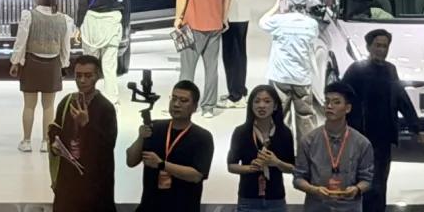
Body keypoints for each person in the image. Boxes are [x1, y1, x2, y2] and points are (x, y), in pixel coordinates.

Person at [342, 29, 424, 212]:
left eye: (385, 46)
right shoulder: (356, 70)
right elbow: (342, 96)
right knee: (361, 181)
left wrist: (416, 127)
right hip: (360, 136)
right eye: (377, 46)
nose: (381, 50)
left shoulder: (390, 70)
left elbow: (401, 98)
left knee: (379, 183)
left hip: (383, 137)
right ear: (368, 47)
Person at [126, 80, 215, 211]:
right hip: (150, 206)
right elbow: (131, 161)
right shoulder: (155, 127)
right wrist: (140, 137)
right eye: (173, 98)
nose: (176, 104)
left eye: (183, 100)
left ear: (194, 107)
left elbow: (196, 176)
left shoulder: (202, 137)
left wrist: (162, 165)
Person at [174, 0, 232, 118]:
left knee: (187, 69)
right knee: (211, 68)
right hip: (215, 24)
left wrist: (178, 18)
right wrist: (224, 17)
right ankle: (208, 107)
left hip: (191, 25)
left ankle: (183, 104)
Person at [11, 0, 75, 153]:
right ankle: (46, 141)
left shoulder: (29, 16)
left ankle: (26, 141)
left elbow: (21, 41)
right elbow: (65, 46)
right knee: (49, 106)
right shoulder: (64, 19)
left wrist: (15, 61)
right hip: (53, 64)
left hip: (31, 63)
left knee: (29, 105)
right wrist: (64, 63)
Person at [48, 55, 118, 212]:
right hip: (68, 178)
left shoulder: (105, 108)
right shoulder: (66, 102)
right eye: (78, 75)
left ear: (97, 76)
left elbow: (108, 145)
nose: (82, 80)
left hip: (95, 181)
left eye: (88, 76)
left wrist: (87, 124)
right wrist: (54, 145)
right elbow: (55, 129)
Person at [293, 82, 374, 212]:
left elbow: (368, 180)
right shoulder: (308, 141)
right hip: (317, 207)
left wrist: (357, 189)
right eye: (327, 102)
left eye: (336, 102)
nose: (330, 106)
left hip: (349, 207)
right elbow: (298, 178)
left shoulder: (362, 143)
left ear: (348, 108)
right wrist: (314, 189)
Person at [259, 0, 319, 144]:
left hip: (280, 77)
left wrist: (276, 8)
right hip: (302, 78)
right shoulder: (311, 24)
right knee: (306, 117)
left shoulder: (278, 21)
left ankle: (282, 149)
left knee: (280, 116)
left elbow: (262, 22)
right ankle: (306, 152)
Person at [227, 85, 296, 212]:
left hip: (276, 199)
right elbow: (231, 166)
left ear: (275, 106)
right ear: (251, 105)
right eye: (257, 101)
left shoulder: (284, 133)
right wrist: (250, 168)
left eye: (267, 101)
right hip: (248, 198)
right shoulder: (241, 132)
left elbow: (293, 168)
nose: (261, 106)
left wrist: (276, 162)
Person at [77, 0, 123, 104]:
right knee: (109, 66)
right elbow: (119, 0)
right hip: (111, 23)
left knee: (90, 65)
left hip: (92, 25)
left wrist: (78, 27)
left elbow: (83, 5)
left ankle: (88, 98)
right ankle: (112, 99)